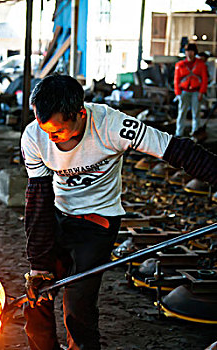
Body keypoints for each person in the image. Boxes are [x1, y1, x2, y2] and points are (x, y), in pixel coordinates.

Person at [21, 75, 217, 350]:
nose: (51, 138)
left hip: (98, 222)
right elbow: (39, 198)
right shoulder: (33, 137)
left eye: (58, 131)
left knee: (78, 303)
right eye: (46, 130)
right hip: (58, 214)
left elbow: (177, 151)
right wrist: (39, 263)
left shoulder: (114, 126)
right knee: (38, 293)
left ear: (80, 113)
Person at [174, 43, 208, 137]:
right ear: (185, 52)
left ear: (194, 52)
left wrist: (201, 92)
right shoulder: (180, 65)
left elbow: (204, 79)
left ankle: (195, 132)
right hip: (184, 91)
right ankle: (179, 133)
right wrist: (178, 93)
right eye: (187, 51)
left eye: (191, 51)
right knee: (181, 113)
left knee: (196, 113)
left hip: (196, 92)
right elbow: (176, 79)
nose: (189, 53)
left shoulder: (201, 64)